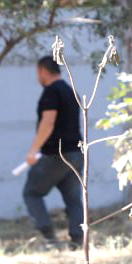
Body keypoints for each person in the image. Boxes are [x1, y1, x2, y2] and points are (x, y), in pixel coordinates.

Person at [22, 55, 84, 250]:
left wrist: (33, 151)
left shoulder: (51, 92)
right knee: (74, 199)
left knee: (31, 192)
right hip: (76, 154)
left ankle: (50, 239)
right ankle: (77, 241)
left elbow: (48, 122)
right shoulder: (70, 91)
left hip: (56, 154)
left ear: (42, 71)